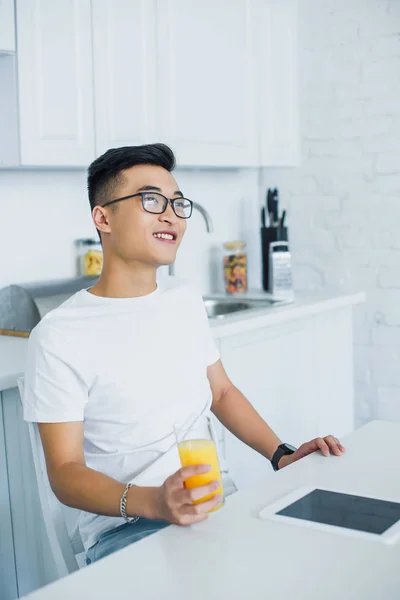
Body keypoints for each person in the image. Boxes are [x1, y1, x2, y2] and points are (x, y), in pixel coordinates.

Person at [23, 144, 345, 565]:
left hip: (218, 505)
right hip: (128, 529)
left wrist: (281, 454)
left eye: (177, 203)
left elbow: (222, 393)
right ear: (103, 218)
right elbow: (64, 473)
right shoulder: (59, 336)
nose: (171, 215)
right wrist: (155, 502)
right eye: (151, 200)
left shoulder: (183, 298)